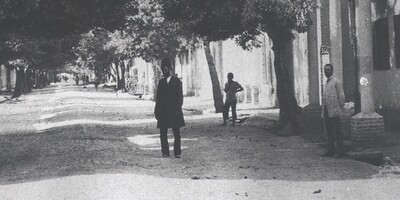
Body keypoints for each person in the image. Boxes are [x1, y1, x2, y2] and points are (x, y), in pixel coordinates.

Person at [154, 58, 185, 158]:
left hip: (174, 111)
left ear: (170, 69)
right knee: (163, 133)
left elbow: (180, 97)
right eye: (163, 69)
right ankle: (165, 152)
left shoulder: (177, 81)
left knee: (176, 133)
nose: (164, 71)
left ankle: (177, 152)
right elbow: (158, 99)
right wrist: (157, 112)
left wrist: (177, 110)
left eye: (166, 69)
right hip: (163, 112)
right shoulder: (161, 82)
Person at [321, 64, 345, 158]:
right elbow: (325, 98)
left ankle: (339, 151)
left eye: (328, 70)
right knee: (329, 131)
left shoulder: (336, 81)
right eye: (325, 70)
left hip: (334, 110)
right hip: (327, 110)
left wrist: (339, 108)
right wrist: (323, 111)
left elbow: (341, 96)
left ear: (332, 70)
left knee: (337, 131)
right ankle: (331, 150)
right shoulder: (326, 83)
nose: (326, 71)